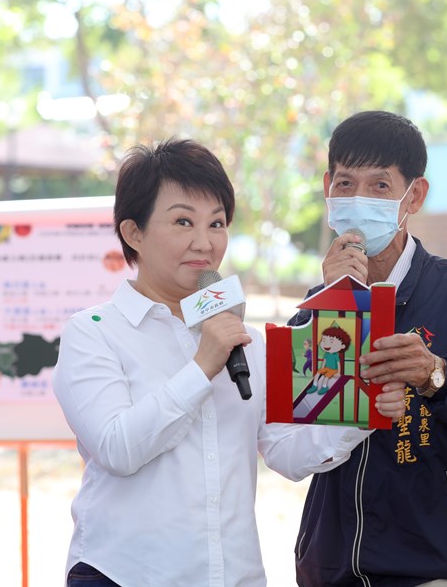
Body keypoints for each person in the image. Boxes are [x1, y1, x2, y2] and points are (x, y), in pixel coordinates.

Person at [51, 138, 407, 587]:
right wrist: (202, 365)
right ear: (133, 232)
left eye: (217, 223)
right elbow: (118, 449)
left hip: (232, 575)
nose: (205, 242)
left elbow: (284, 451)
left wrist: (365, 412)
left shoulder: (244, 341)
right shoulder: (95, 331)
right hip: (124, 574)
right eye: (183, 221)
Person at [288, 111, 447, 587]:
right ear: (327, 187)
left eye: (380, 186)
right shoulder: (318, 303)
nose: (358, 199)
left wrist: (439, 376)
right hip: (335, 566)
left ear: (415, 196)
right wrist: (335, 306)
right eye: (345, 183)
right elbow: (296, 425)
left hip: (441, 567)